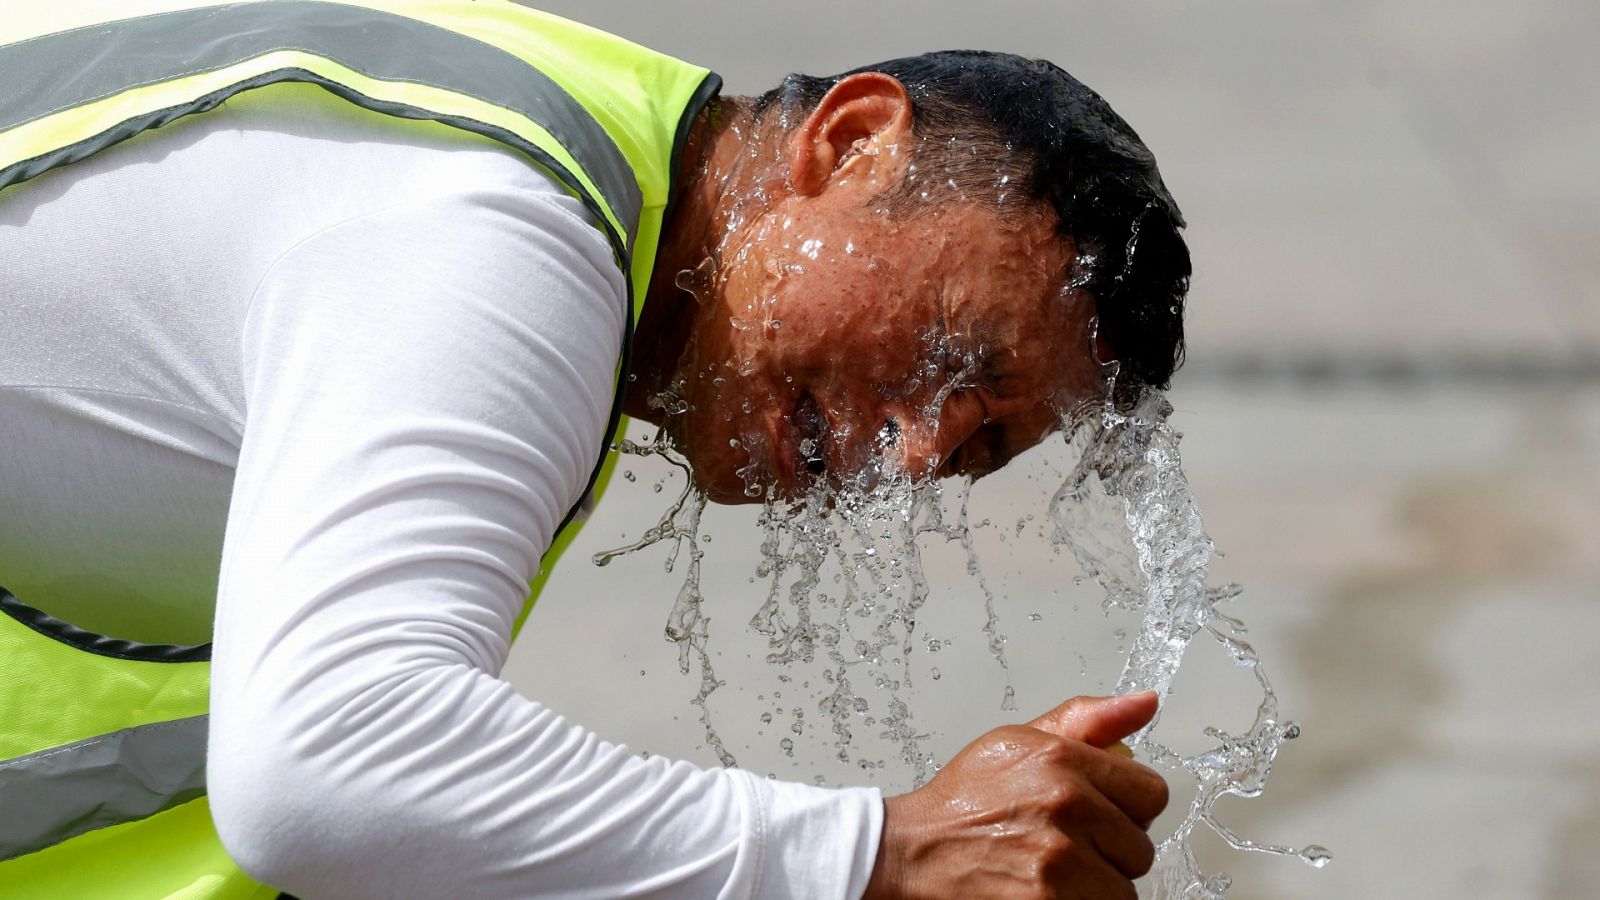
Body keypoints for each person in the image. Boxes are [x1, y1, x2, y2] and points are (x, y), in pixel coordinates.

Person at [0, 2, 1189, 898]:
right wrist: (881, 850)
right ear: (852, 143)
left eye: (976, 453)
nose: (918, 453)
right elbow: (325, 767)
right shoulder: (504, 231)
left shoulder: (530, 140)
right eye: (948, 349)